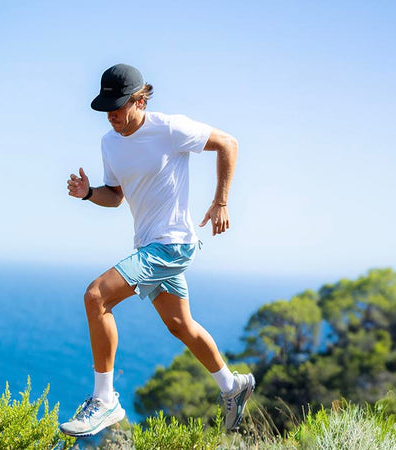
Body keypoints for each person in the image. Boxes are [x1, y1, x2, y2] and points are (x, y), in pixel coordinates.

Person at [60, 63, 254, 438]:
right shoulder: (110, 143)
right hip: (149, 245)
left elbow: (228, 144)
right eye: (105, 108)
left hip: (173, 244)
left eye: (117, 106)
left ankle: (104, 401)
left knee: (96, 296)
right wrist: (87, 194)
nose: (111, 116)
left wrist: (221, 202)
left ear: (139, 100)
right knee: (180, 325)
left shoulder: (169, 128)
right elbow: (115, 196)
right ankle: (233, 387)